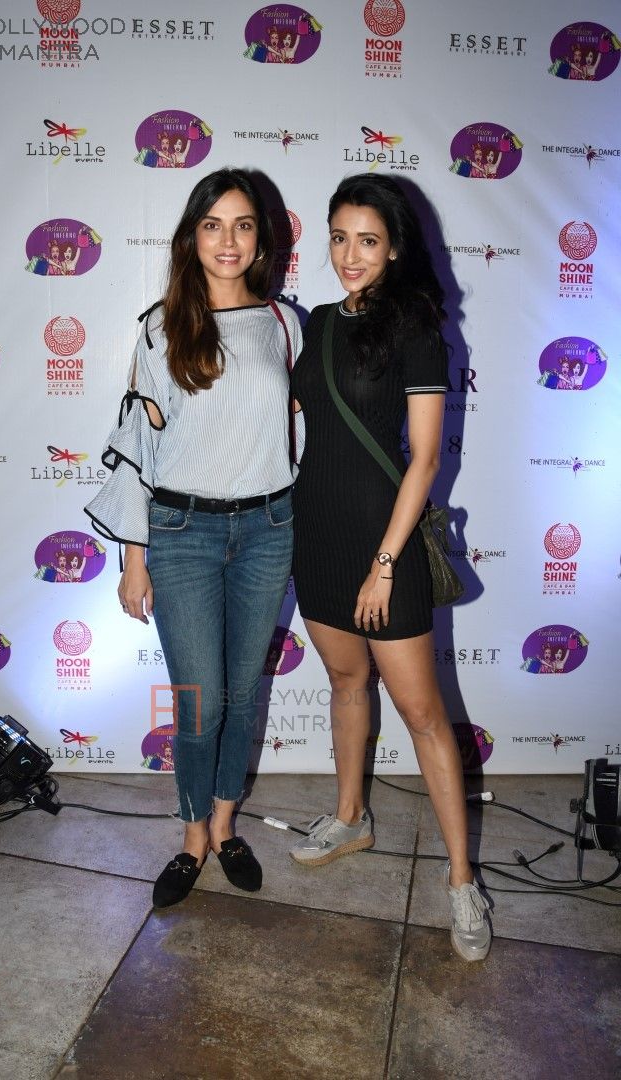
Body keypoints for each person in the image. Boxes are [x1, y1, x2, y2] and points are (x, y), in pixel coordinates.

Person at [85, 168, 301, 908]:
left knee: (242, 696)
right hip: (182, 535)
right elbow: (137, 446)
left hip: (268, 530)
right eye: (213, 225)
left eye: (243, 225)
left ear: (262, 240)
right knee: (200, 701)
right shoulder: (159, 327)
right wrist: (132, 560)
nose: (228, 240)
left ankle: (226, 825)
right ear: (191, 237)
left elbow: (301, 431)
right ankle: (191, 836)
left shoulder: (285, 324)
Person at [289, 174, 492, 962]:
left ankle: (462, 880)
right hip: (317, 535)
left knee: (424, 715)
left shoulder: (416, 328)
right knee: (346, 683)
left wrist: (384, 563)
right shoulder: (317, 322)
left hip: (386, 546)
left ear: (396, 247)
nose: (350, 254)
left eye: (367, 240)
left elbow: (426, 458)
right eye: (339, 237)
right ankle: (351, 818)